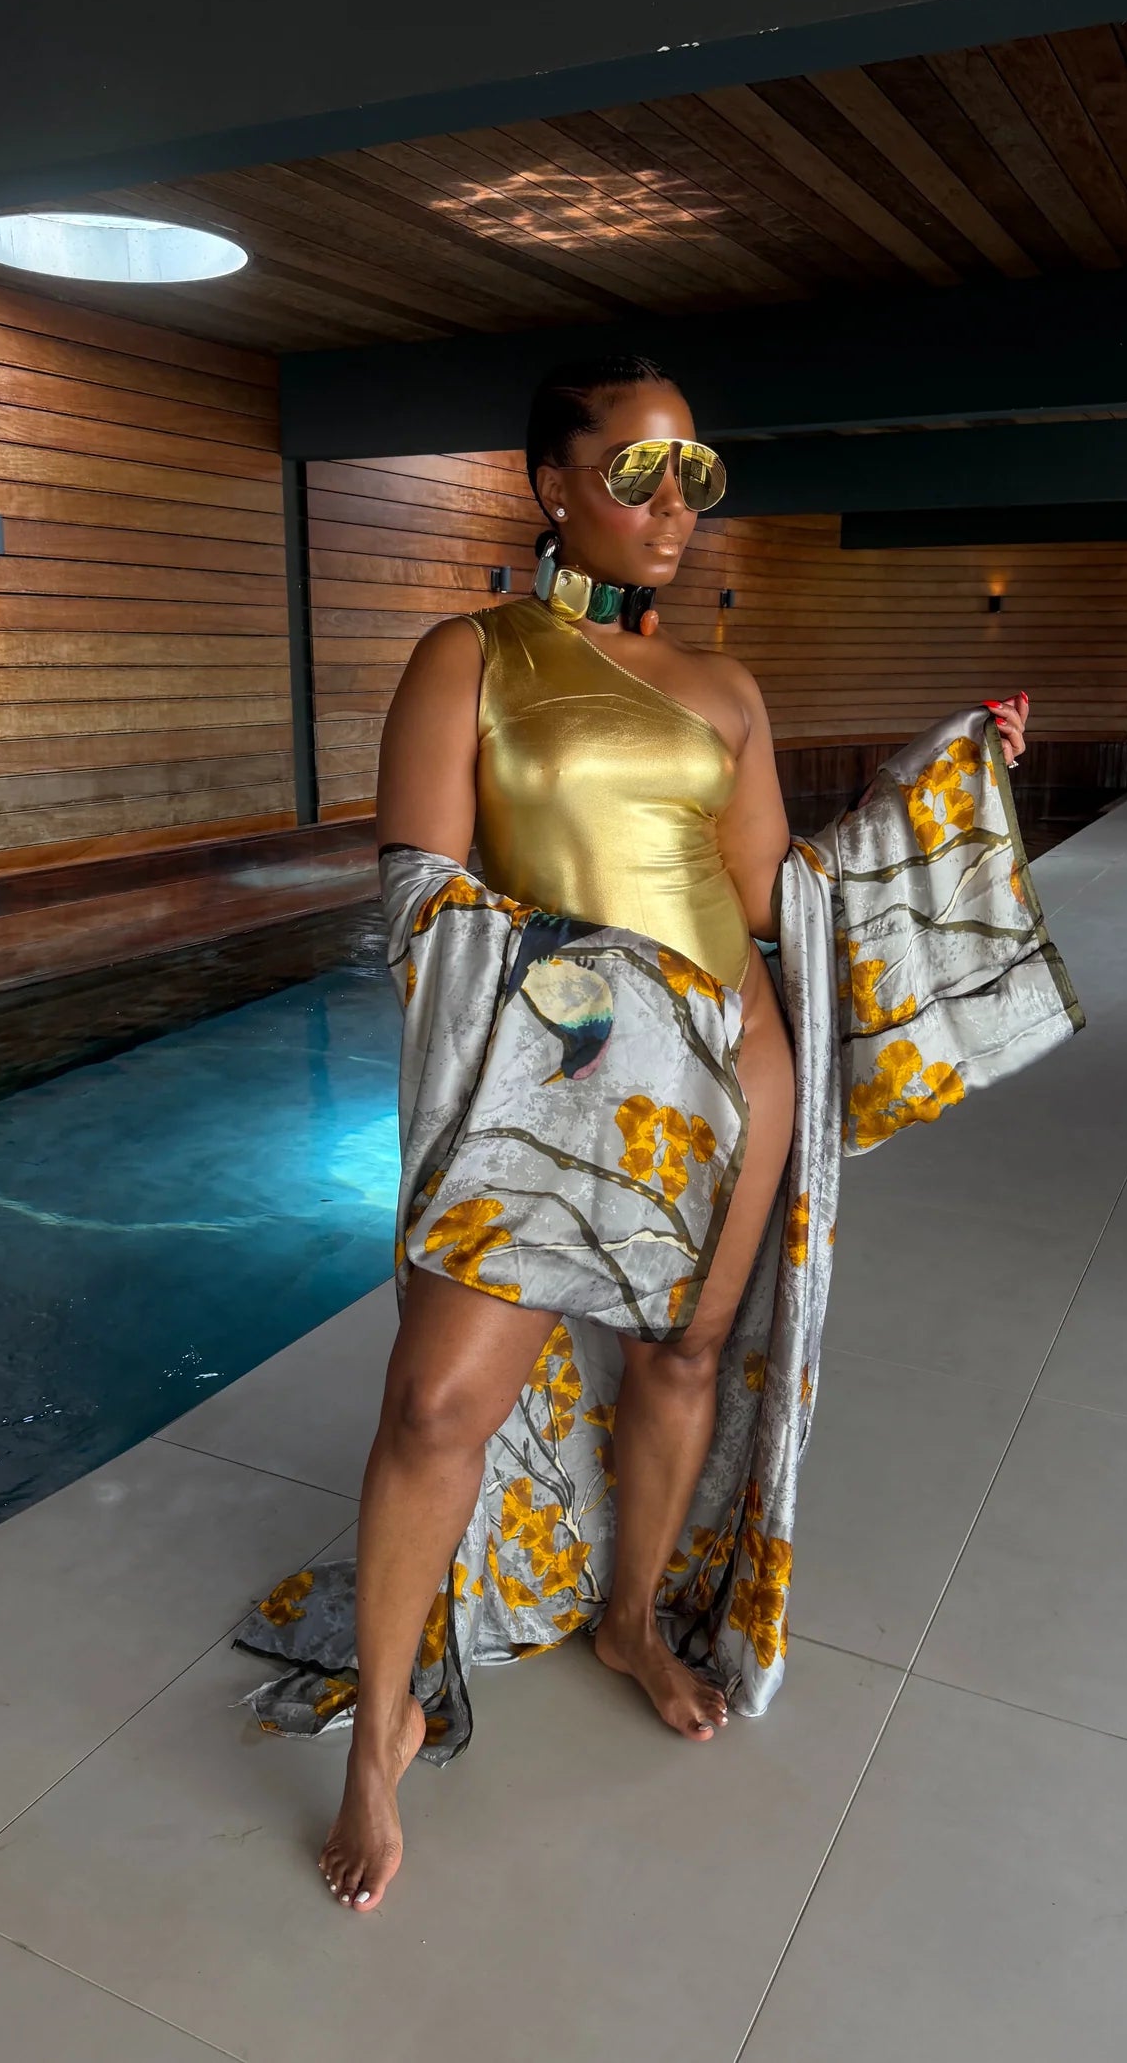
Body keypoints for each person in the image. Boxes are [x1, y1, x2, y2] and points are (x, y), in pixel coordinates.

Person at [242, 356, 1040, 1915]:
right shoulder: (471, 656)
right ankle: (383, 1733)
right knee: (434, 1406)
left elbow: (779, 898)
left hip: (736, 1071)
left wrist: (940, 785)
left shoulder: (725, 689)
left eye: (696, 475)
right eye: (636, 472)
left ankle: (628, 1620)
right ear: (552, 483)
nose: (675, 506)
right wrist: (601, 1000)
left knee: (686, 1355)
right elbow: (419, 894)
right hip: (559, 1080)